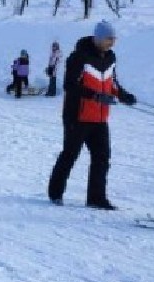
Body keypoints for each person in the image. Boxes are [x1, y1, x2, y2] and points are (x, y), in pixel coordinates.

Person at [47, 21, 137, 210]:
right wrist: (95, 95)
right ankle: (55, 193)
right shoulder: (79, 57)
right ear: (98, 38)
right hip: (77, 116)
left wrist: (123, 95)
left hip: (100, 117)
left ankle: (96, 198)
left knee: (102, 158)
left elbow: (112, 83)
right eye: (108, 39)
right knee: (70, 154)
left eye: (114, 39)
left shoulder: (111, 57)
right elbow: (69, 85)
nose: (112, 43)